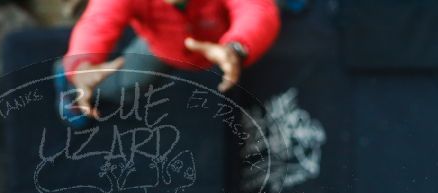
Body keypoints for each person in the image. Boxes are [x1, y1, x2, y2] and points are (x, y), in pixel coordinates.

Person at [55, 0, 281, 125]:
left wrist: (237, 48)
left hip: (222, 44)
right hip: (163, 48)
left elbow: (256, 9)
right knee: (125, 85)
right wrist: (81, 66)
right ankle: (69, 83)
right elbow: (97, 22)